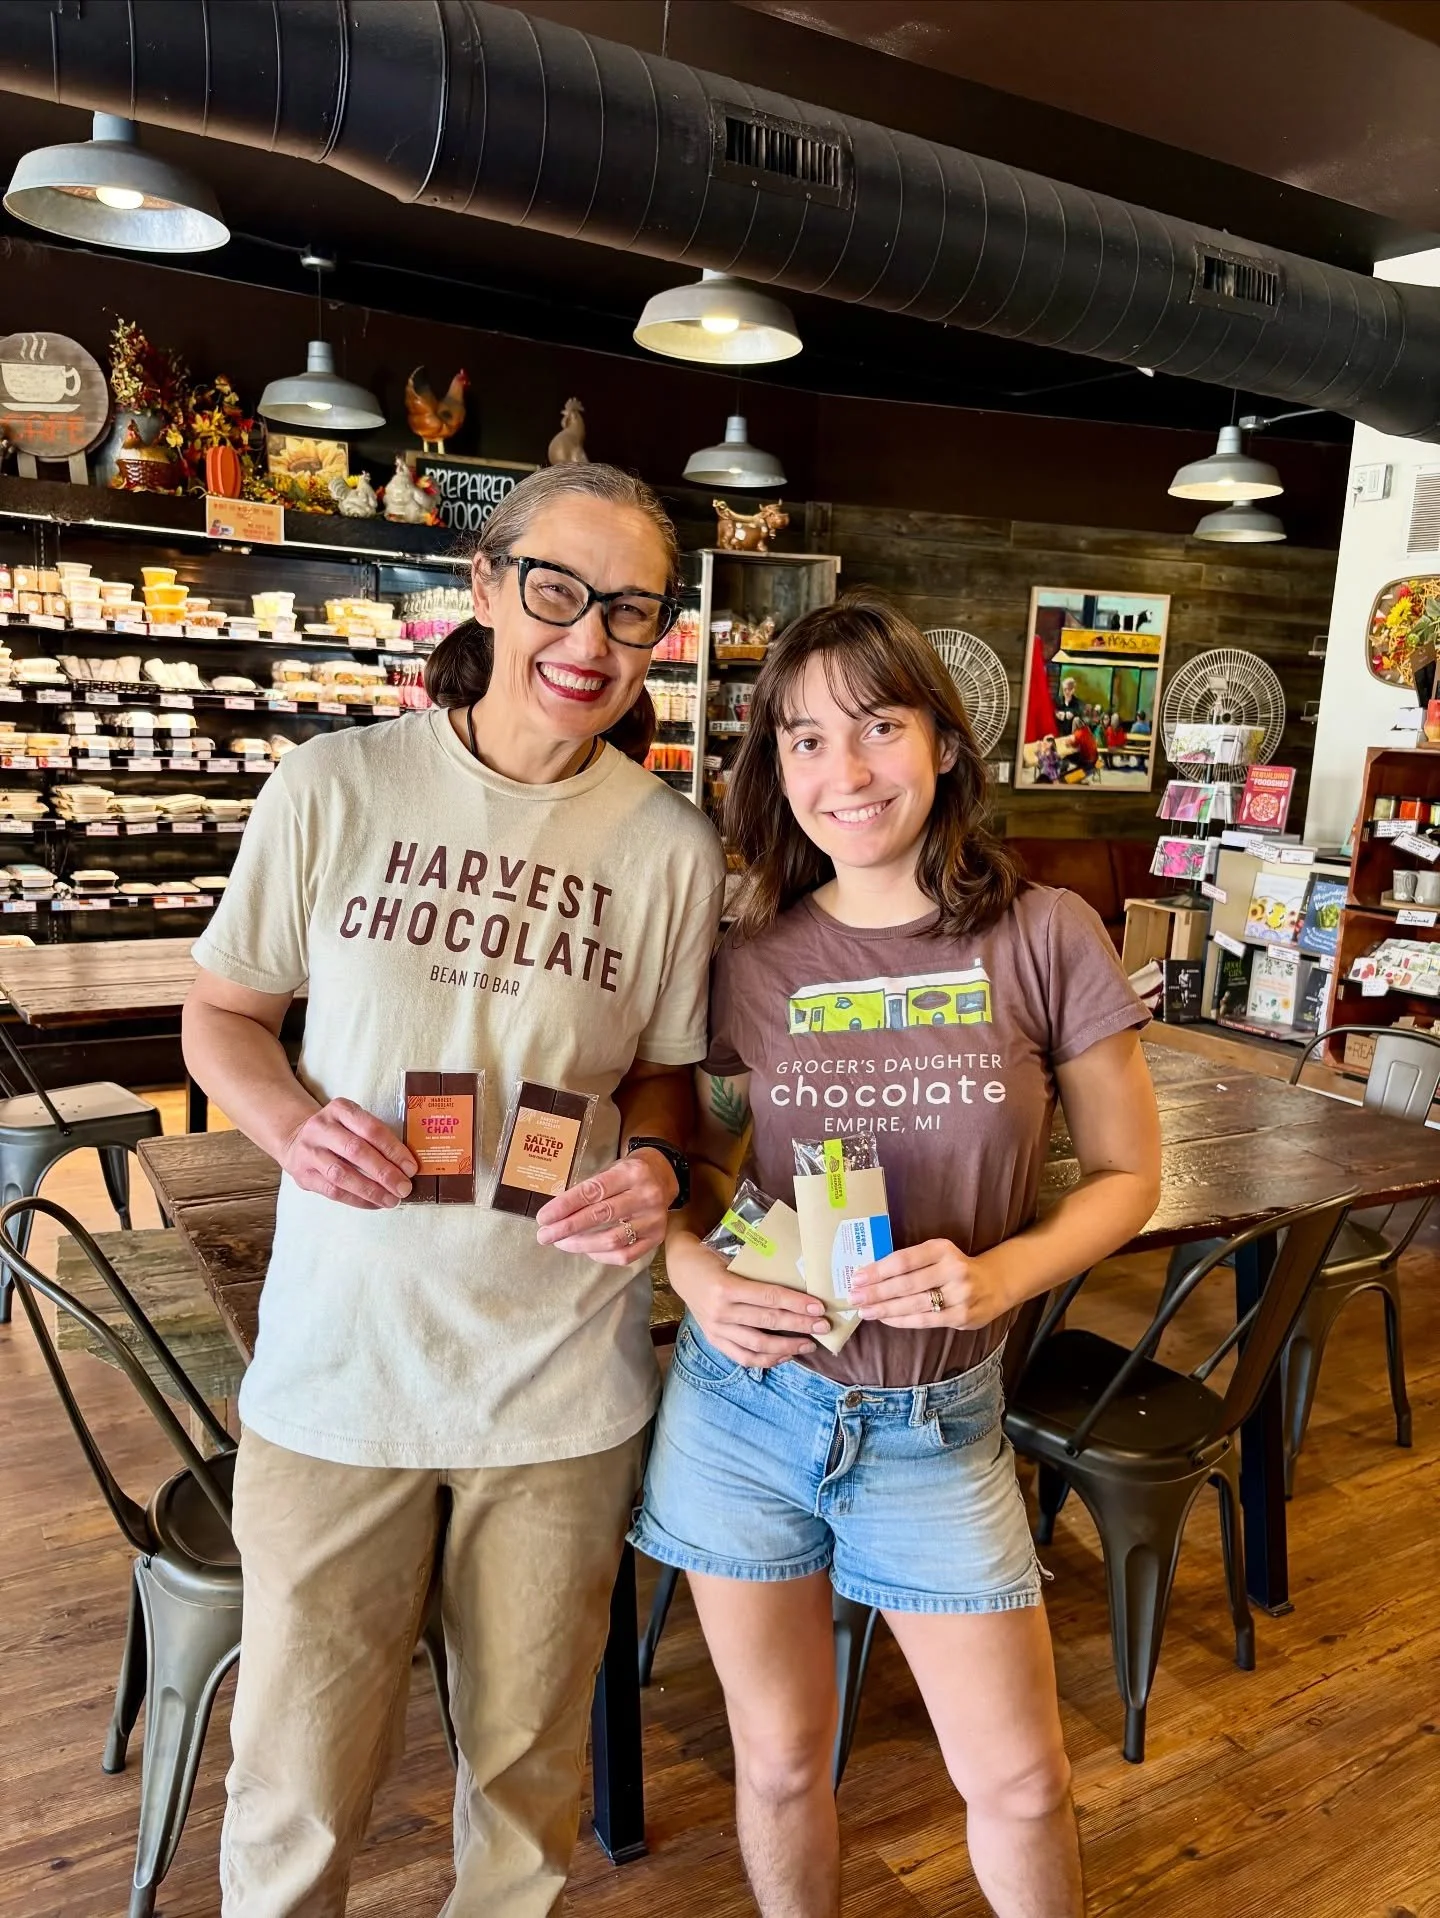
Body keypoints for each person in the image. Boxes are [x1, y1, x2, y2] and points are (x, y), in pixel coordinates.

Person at [183, 463, 726, 1913]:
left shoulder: (670, 847)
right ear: (482, 588)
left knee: (525, 1795)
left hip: (557, 1388)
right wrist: (291, 1124)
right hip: (335, 1373)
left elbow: (667, 1076)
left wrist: (664, 1163)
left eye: (631, 608)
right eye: (557, 589)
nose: (590, 638)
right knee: (294, 1797)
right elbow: (221, 1018)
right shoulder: (337, 784)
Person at [631, 596, 1161, 1918]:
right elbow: (686, 1157)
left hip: (936, 1417)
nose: (845, 771)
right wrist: (694, 1273)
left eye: (876, 726)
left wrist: (1003, 1275)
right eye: (805, 740)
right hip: (748, 1405)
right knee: (781, 1755)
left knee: (1025, 1780)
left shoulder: (1046, 935)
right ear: (774, 769)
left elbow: (1130, 1178)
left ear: (940, 740)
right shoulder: (749, 957)